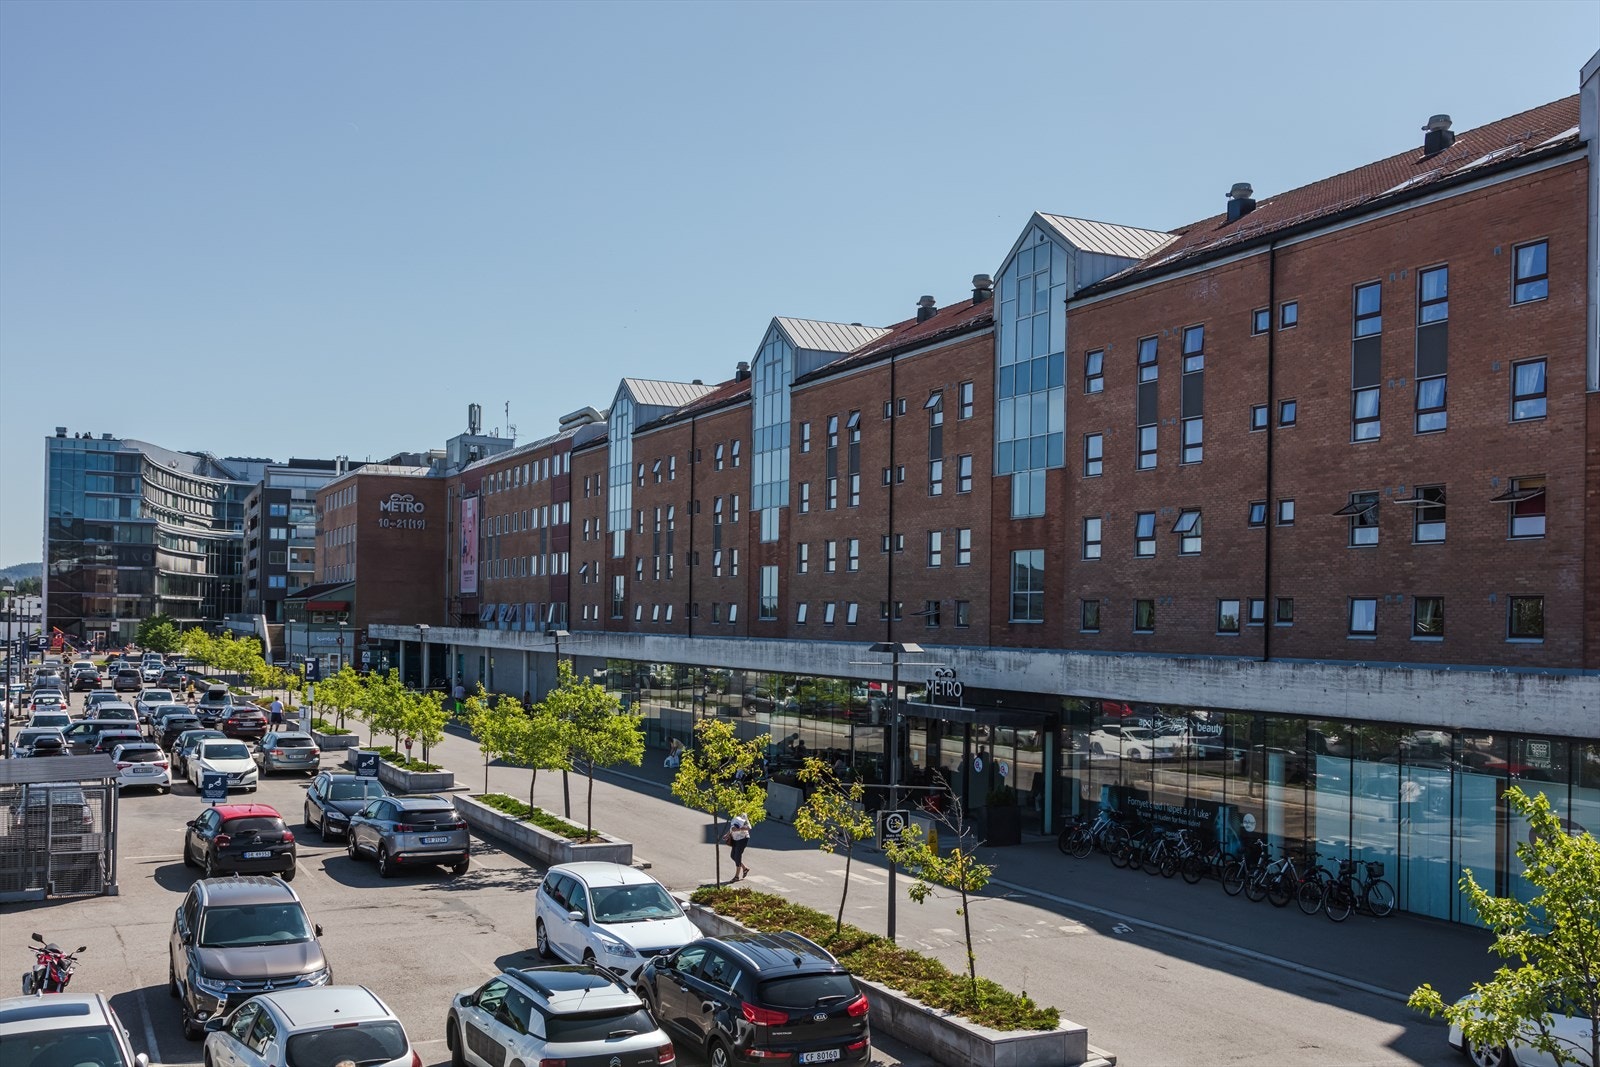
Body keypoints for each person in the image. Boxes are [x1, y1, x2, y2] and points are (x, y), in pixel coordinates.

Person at [727, 813, 752, 881]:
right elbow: (732, 827)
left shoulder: (743, 816)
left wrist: (738, 829)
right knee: (733, 856)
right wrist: (728, 834)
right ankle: (745, 868)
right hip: (735, 838)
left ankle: (736, 877)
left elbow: (749, 827)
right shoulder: (734, 815)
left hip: (742, 839)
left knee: (737, 856)